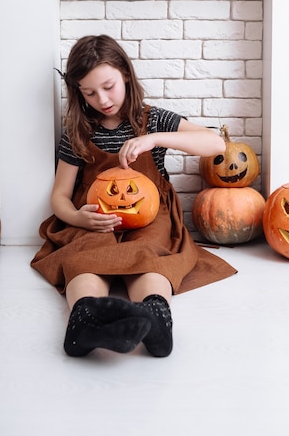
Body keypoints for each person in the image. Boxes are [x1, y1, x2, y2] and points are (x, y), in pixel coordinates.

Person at [31, 35, 237, 358]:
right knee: (85, 251)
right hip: (96, 217)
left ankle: (155, 316)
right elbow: (59, 195)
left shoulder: (151, 119)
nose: (102, 99)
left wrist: (153, 139)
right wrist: (75, 216)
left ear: (126, 74)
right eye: (90, 93)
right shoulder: (79, 131)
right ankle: (84, 318)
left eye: (108, 86)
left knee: (150, 249)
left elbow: (217, 145)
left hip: (150, 216)